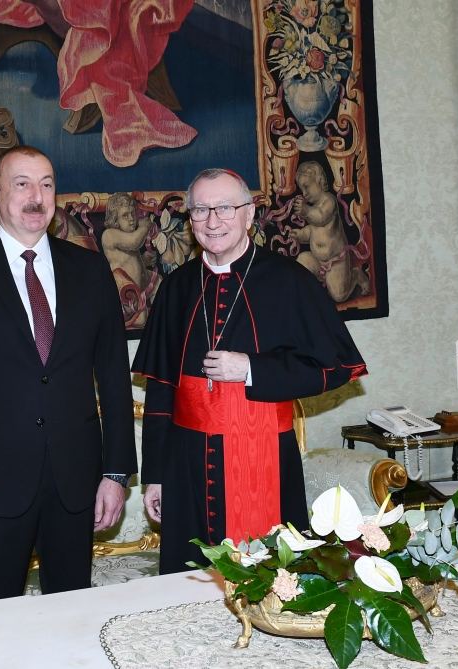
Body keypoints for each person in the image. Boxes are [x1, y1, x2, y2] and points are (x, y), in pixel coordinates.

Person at [0, 145, 137, 606]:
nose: (37, 197)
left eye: (47, 184)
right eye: (22, 184)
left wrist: (116, 472)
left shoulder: (91, 270)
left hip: (76, 484)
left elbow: (114, 378)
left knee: (71, 617)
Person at [132, 167, 367, 574]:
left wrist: (253, 369)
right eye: (201, 210)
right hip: (186, 463)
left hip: (265, 458)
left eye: (225, 207)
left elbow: (336, 367)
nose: (213, 220)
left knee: (270, 579)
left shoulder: (289, 281)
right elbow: (161, 391)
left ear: (249, 215)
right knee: (188, 585)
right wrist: (155, 474)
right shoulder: (176, 289)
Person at [290, 161, 369, 302]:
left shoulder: (329, 201)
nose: (304, 193)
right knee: (301, 261)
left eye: (307, 187)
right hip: (317, 260)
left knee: (339, 296)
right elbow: (311, 231)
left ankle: (356, 275)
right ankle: (313, 291)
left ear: (319, 181)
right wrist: (300, 235)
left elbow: (321, 217)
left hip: (336, 261)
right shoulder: (313, 207)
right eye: (302, 189)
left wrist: (306, 210)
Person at [100, 192, 158, 328]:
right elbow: (134, 242)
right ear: (115, 219)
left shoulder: (126, 235)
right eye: (125, 215)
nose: (131, 219)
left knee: (160, 283)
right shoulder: (109, 235)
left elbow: (129, 261)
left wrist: (144, 261)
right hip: (126, 297)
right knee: (142, 319)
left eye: (133, 213)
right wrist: (144, 226)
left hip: (138, 291)